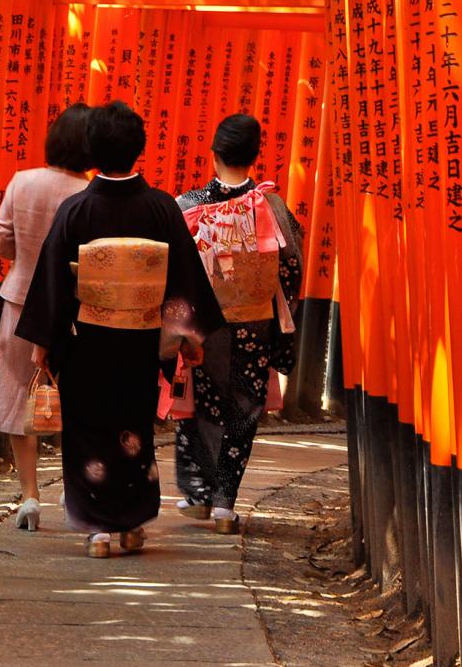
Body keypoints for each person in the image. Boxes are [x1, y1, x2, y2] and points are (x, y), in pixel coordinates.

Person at [15, 101, 225, 558]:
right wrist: (187, 339)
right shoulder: (161, 208)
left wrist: (43, 344)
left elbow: (53, 282)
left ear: (91, 149)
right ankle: (131, 522)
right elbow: (184, 279)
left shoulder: (76, 210)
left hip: (86, 343)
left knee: (89, 430)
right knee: (134, 430)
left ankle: (98, 529)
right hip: (140, 343)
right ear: (139, 149)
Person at [174, 113, 304, 534]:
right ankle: (225, 504)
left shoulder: (190, 205)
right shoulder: (271, 206)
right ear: (254, 156)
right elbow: (291, 267)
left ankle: (200, 492)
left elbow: (173, 266)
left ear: (213, 156)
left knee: (202, 404)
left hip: (204, 328)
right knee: (243, 410)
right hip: (255, 326)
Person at [0, 103, 93, 532]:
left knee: (18, 395)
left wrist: (27, 259)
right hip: (74, 310)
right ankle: (74, 491)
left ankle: (29, 495)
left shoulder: (23, 180)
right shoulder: (88, 193)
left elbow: (0, 241)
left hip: (20, 303)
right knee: (77, 400)